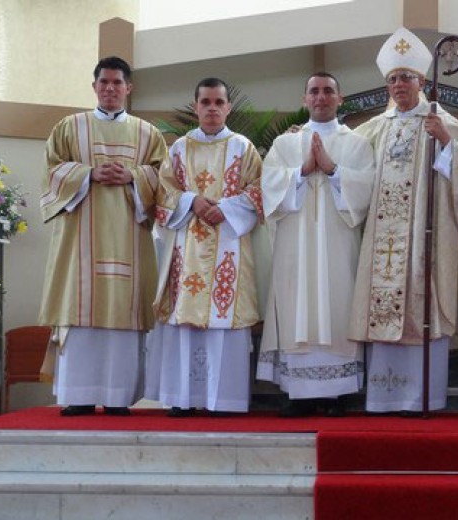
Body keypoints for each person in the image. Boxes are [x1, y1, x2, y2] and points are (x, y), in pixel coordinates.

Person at [349, 27, 458, 415]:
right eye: (392, 79)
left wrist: (445, 142)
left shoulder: (442, 121)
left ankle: (424, 397)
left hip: (426, 241)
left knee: (424, 298)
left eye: (406, 77)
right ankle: (385, 398)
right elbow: (343, 157)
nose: (399, 84)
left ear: (422, 81)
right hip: (383, 242)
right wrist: (303, 138)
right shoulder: (375, 127)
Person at [39, 56, 168, 416]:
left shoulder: (148, 134)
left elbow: (167, 179)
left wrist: (134, 177)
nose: (110, 89)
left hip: (130, 236)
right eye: (104, 82)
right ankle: (78, 396)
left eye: (117, 83)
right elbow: (51, 173)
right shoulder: (69, 127)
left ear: (129, 88)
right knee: (81, 315)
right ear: (94, 86)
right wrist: (89, 174)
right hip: (79, 240)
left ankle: (117, 397)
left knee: (122, 319)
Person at [257, 72, 375, 417]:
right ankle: (297, 391)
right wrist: (302, 171)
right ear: (304, 99)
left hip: (339, 244)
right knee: (296, 304)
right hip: (294, 244)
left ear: (340, 99)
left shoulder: (356, 144)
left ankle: (337, 392)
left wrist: (334, 170)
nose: (320, 97)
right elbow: (269, 188)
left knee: (338, 302)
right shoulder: (285, 144)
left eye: (328, 91)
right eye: (314, 92)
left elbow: (366, 191)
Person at [146, 77, 263, 417]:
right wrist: (192, 201)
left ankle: (223, 399)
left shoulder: (243, 147)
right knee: (186, 319)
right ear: (196, 106)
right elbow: (164, 193)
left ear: (228, 107)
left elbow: (258, 191)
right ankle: (183, 398)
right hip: (188, 247)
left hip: (229, 242)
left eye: (219, 102)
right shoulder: (180, 148)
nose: (212, 108)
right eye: (206, 102)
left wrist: (224, 208)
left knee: (224, 320)